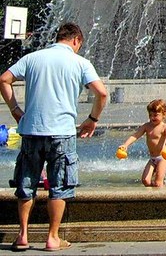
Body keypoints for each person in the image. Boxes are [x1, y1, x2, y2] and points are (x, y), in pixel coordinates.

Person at [0, 22, 108, 253]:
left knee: (26, 183)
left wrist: (15, 110)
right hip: (62, 132)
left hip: (31, 129)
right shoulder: (80, 62)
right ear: (76, 40)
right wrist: (92, 119)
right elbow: (102, 92)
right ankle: (52, 237)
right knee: (59, 186)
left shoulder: (32, 58)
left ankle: (22, 236)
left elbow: (4, 79)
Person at [116, 98, 166, 187]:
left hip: (163, 158)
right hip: (152, 158)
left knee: (158, 182)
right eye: (150, 115)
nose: (152, 117)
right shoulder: (146, 126)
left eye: (155, 115)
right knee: (145, 180)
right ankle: (151, 196)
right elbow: (135, 135)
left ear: (164, 115)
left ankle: (161, 197)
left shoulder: (165, 127)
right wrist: (125, 145)